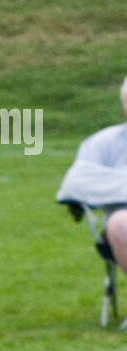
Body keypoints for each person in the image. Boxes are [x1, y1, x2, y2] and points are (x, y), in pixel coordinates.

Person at [62, 76, 127, 274]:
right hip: (123, 224)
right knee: (120, 223)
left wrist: (111, 182)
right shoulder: (102, 143)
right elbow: (75, 185)